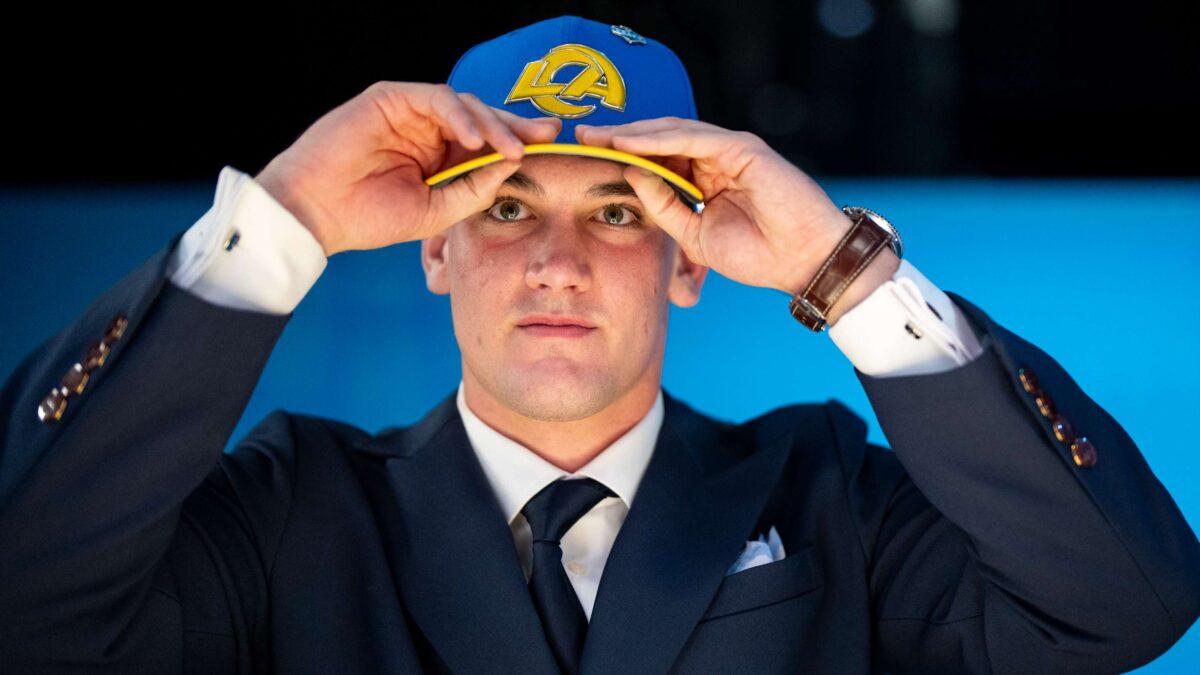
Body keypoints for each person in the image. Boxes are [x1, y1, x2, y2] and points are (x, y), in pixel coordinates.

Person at [1, 14, 1197, 674]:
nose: (557, 262)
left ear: (691, 261)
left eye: (619, 214)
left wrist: (842, 269)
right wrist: (284, 217)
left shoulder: (826, 498)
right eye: (505, 207)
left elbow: (1121, 603)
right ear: (433, 248)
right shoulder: (294, 513)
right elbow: (26, 599)